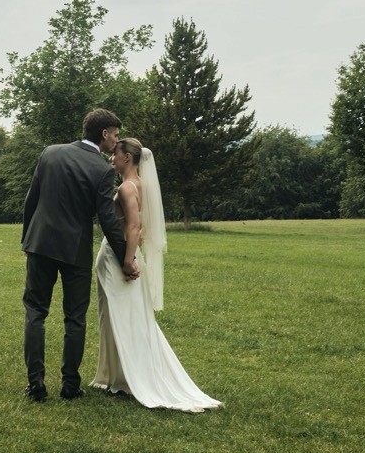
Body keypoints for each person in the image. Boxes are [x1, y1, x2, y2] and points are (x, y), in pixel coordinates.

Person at [91, 137, 222, 412]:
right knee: (127, 316)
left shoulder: (127, 187)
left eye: (115, 154)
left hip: (119, 258)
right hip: (128, 255)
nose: (111, 158)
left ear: (128, 157)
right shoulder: (144, 186)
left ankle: (130, 376)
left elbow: (135, 227)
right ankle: (118, 375)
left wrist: (127, 262)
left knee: (120, 316)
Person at [21, 108, 139, 402]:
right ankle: (70, 385)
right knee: (74, 318)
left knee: (35, 312)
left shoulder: (50, 153)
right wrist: (127, 258)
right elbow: (108, 220)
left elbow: (31, 199)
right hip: (75, 251)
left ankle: (35, 384)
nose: (116, 141)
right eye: (114, 135)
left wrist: (27, 239)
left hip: (41, 245)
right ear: (103, 134)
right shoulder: (102, 170)